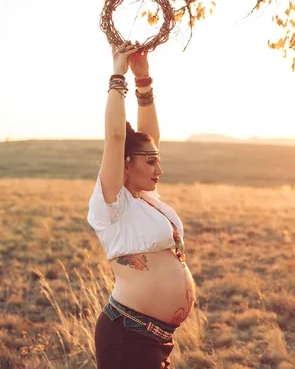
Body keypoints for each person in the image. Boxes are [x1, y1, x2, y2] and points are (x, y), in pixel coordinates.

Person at [87, 40, 196, 368]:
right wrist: (117, 75)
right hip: (127, 336)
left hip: (154, 338)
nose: (159, 170)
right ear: (125, 163)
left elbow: (148, 137)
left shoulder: (146, 200)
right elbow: (116, 138)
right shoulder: (111, 205)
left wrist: (143, 79)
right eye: (150, 162)